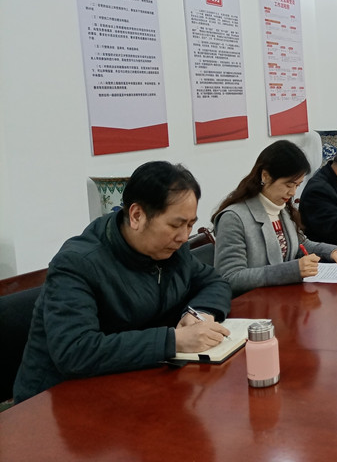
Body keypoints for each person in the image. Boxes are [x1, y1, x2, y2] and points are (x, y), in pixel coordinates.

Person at [13, 162, 232, 404]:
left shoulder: (171, 249)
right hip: (56, 402)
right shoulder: (77, 263)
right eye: (175, 225)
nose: (184, 236)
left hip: (135, 385)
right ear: (137, 215)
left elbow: (214, 282)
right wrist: (174, 341)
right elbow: (75, 351)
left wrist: (199, 313)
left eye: (190, 224)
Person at [212, 140, 337, 296]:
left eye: (297, 185)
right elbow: (230, 278)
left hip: (283, 297)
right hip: (252, 303)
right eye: (288, 185)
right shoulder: (233, 218)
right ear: (265, 176)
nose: (293, 192)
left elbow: (301, 244)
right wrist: (291, 271)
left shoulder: (281, 208)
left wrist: (331, 251)